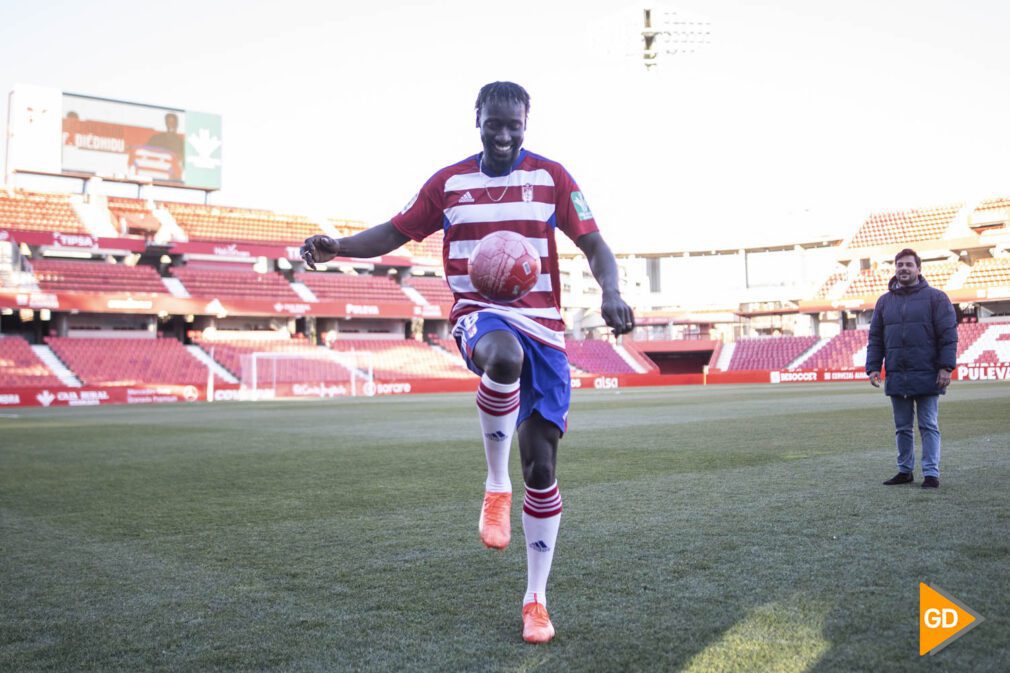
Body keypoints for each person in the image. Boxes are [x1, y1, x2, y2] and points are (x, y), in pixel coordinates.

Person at [300, 81, 634, 643]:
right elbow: (395, 230)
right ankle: (494, 486)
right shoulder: (450, 183)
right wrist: (340, 247)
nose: (503, 135)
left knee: (544, 470)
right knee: (501, 358)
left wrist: (611, 291)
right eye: (493, 123)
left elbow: (595, 245)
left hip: (546, 329)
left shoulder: (553, 178)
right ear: (476, 119)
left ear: (527, 123)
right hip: (481, 313)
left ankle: (535, 600)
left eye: (514, 125)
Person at [866, 248, 957, 489]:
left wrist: (946, 367)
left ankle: (931, 473)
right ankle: (905, 471)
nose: (903, 269)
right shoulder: (884, 302)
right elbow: (875, 337)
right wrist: (873, 367)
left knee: (928, 425)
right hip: (897, 374)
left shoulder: (936, 298)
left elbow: (948, 336)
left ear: (918, 269)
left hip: (928, 373)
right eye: (899, 265)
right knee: (902, 427)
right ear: (895, 269)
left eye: (908, 265)